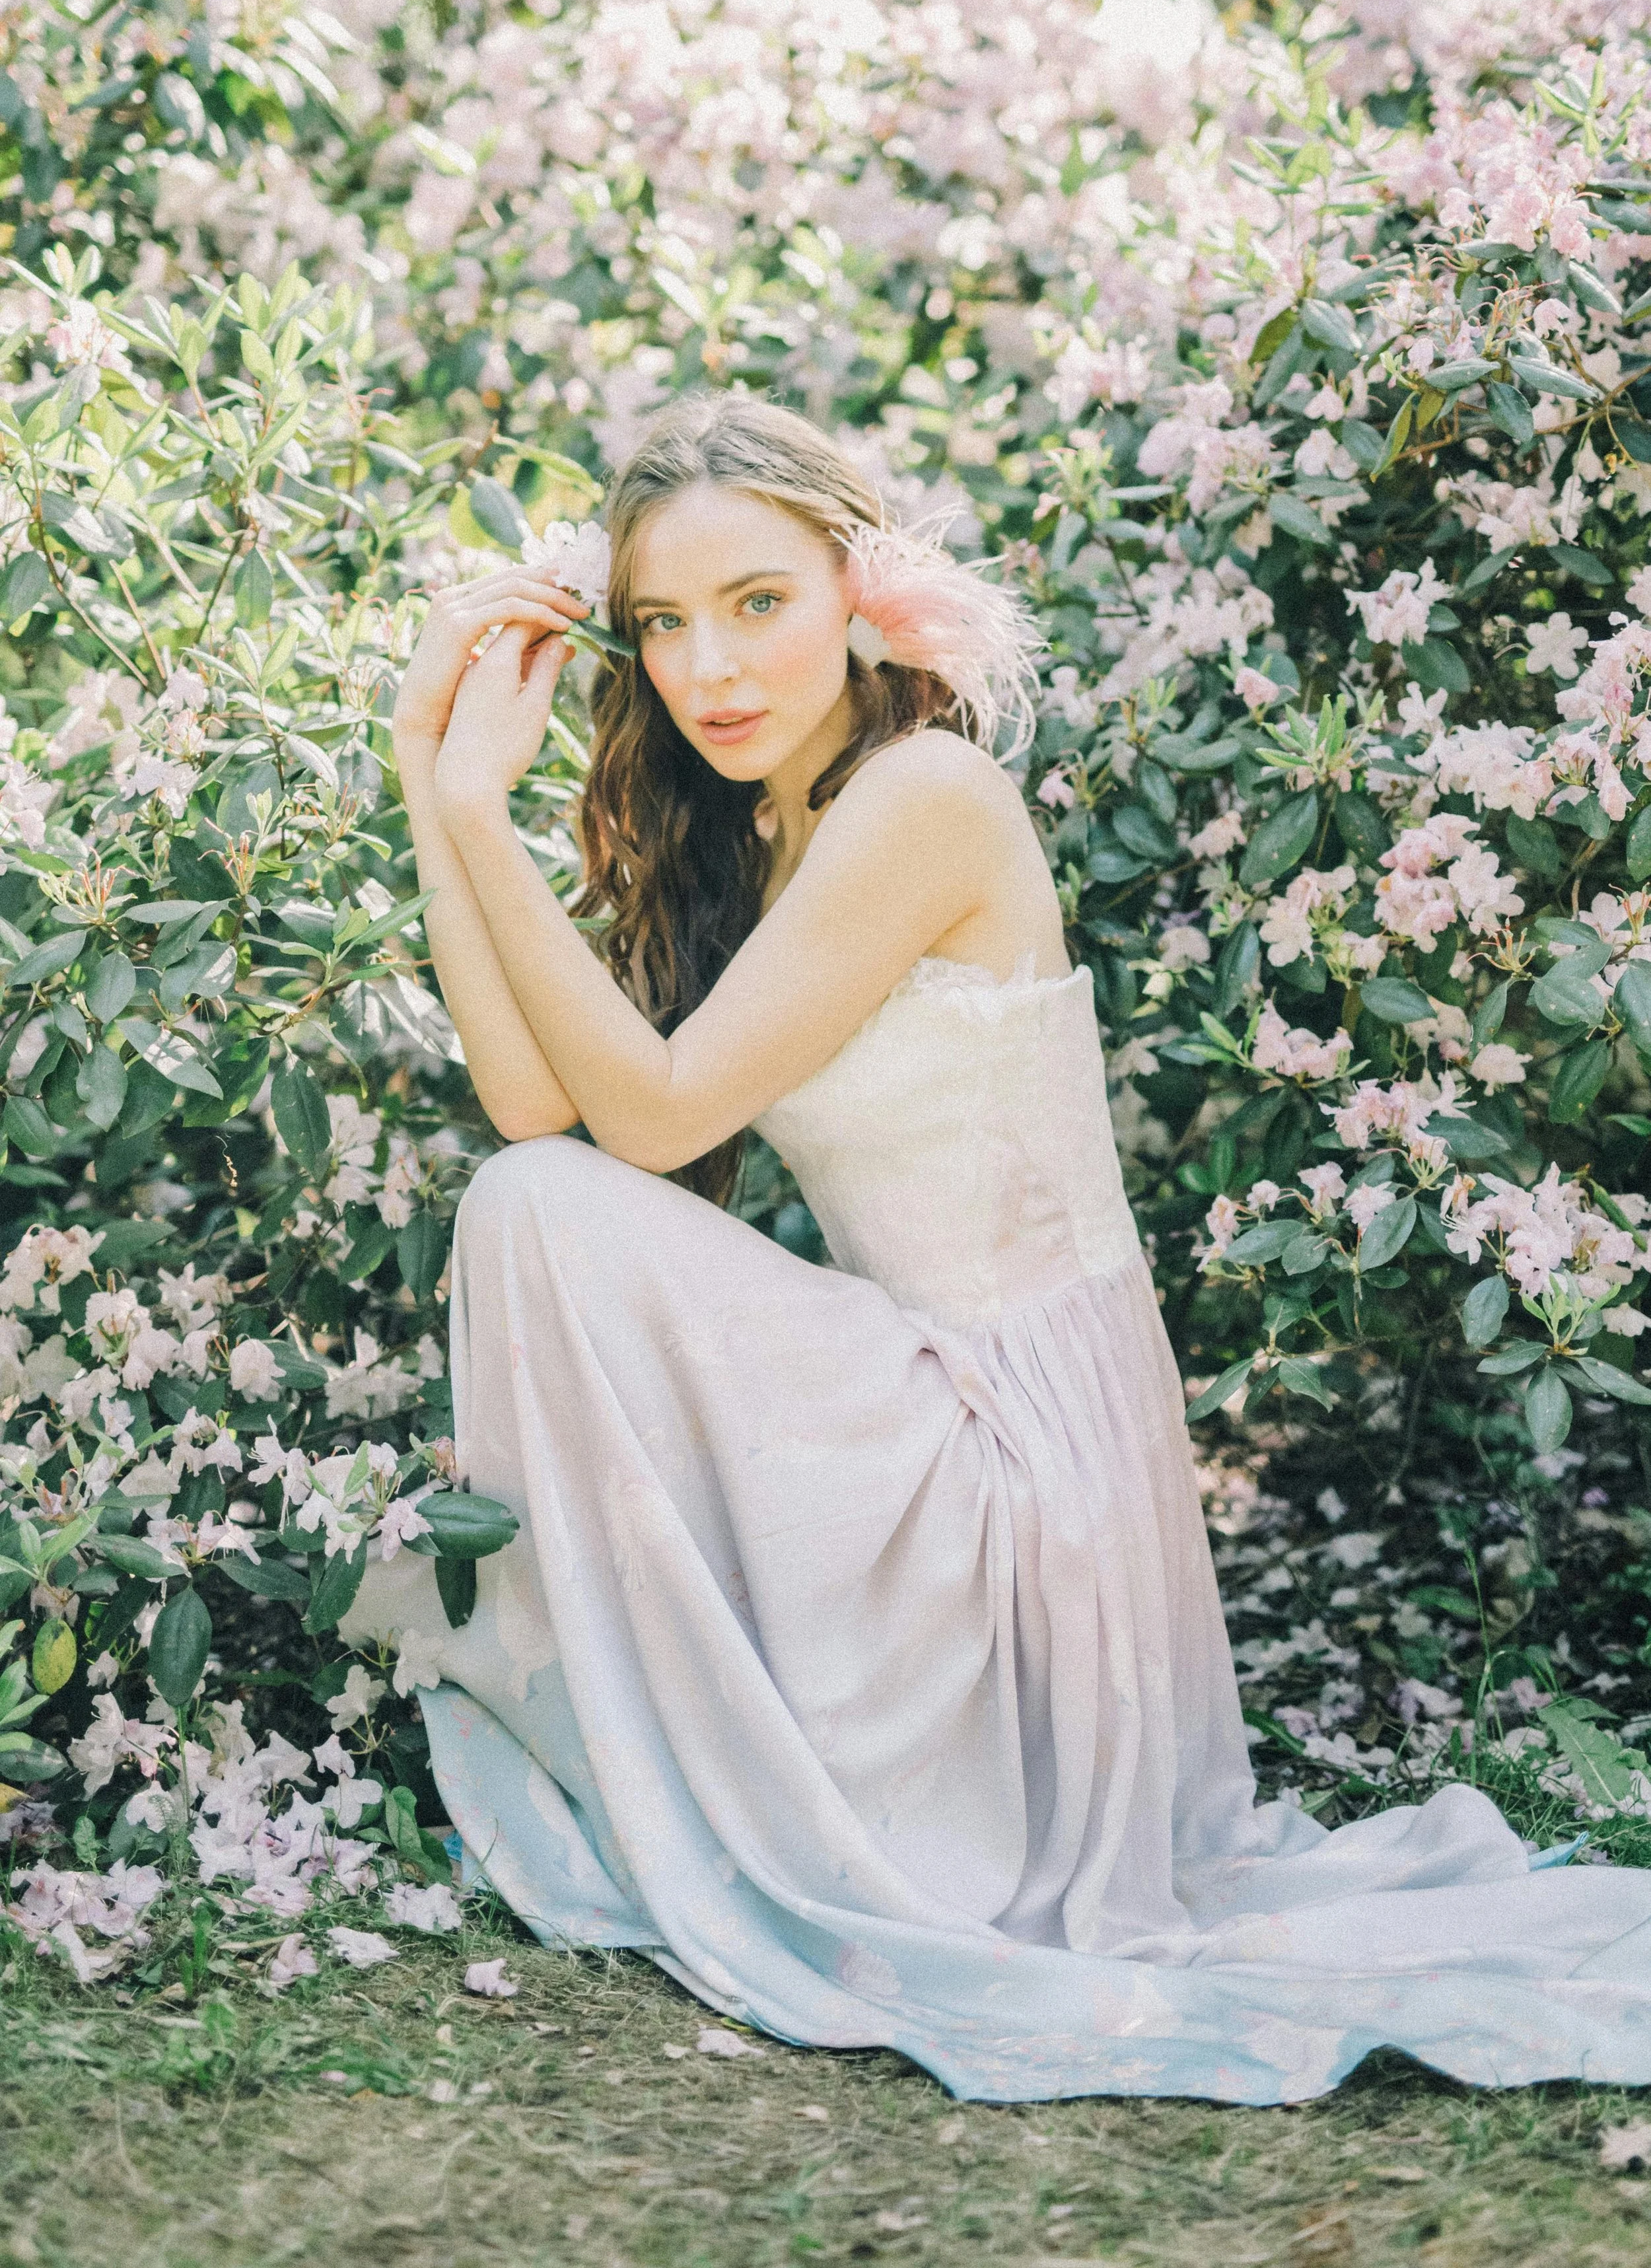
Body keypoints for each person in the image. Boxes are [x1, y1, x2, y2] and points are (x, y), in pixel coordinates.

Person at [353, 394, 1651, 2105]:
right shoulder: (754, 828)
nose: (709, 666)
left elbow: (650, 1126)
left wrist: (467, 816)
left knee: (535, 1214)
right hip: (921, 1422)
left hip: (1020, 1470)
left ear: (854, 586)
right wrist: (439, 802)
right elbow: (539, 1108)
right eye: (663, 623)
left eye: (758, 602)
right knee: (522, 1201)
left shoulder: (924, 798)